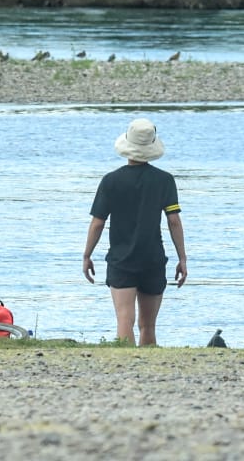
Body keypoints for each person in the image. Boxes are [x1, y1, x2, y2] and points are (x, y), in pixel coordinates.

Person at [82, 117, 187, 345]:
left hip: (121, 259)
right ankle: (149, 368)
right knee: (148, 325)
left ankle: (125, 367)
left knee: (124, 319)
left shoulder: (111, 181)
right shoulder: (164, 180)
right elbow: (174, 221)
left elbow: (98, 222)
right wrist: (182, 258)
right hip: (153, 258)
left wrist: (87, 255)